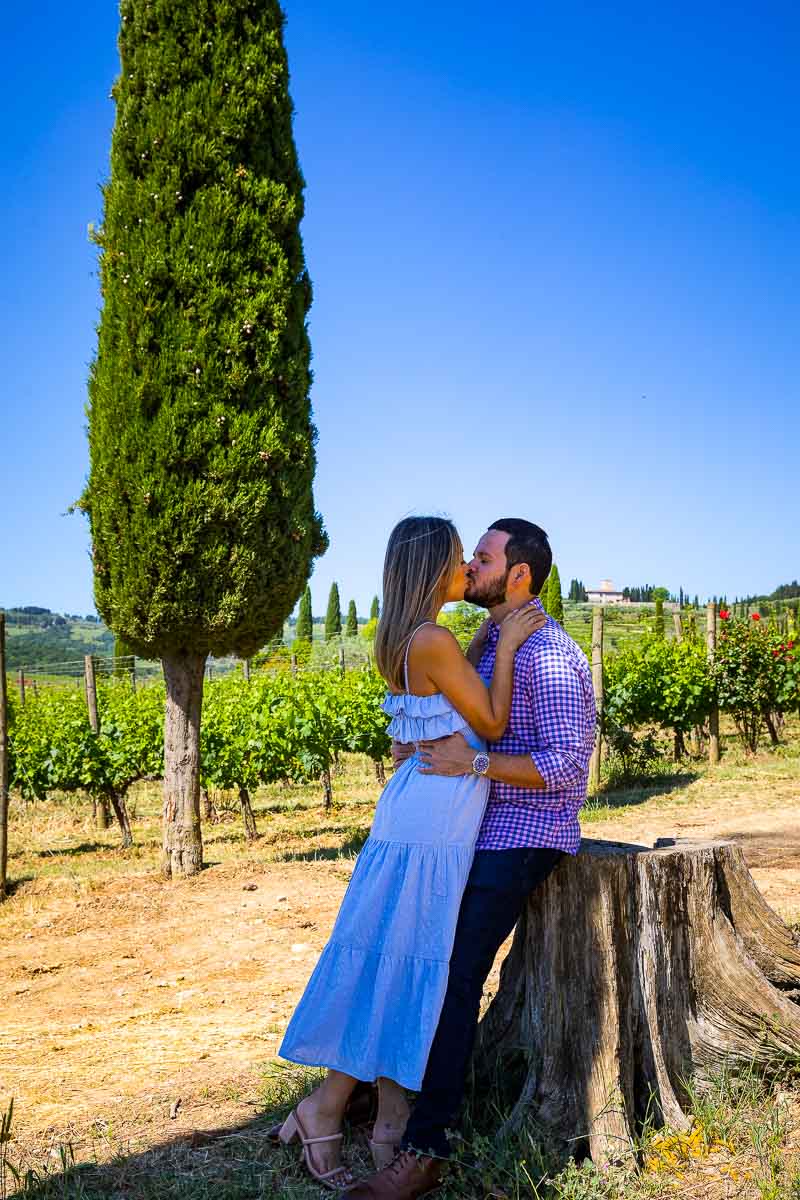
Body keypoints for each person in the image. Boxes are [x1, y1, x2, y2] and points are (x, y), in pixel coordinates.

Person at [276, 516, 543, 1191]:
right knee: (409, 957)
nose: (466, 570)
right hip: (434, 822)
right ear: (431, 569)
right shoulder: (434, 639)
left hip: (415, 809)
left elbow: (428, 714)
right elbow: (490, 724)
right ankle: (339, 1108)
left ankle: (383, 1110)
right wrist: (507, 642)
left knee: (395, 957)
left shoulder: (402, 637)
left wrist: (484, 634)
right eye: (458, 559)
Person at [346, 518, 596, 1200]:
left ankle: (424, 1150)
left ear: (520, 575)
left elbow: (569, 768)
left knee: (452, 977)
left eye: (482, 559)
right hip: (469, 834)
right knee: (420, 959)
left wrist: (477, 761)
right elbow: (444, 717)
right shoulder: (485, 646)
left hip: (521, 837)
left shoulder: (548, 654)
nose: (469, 568)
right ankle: (385, 1096)